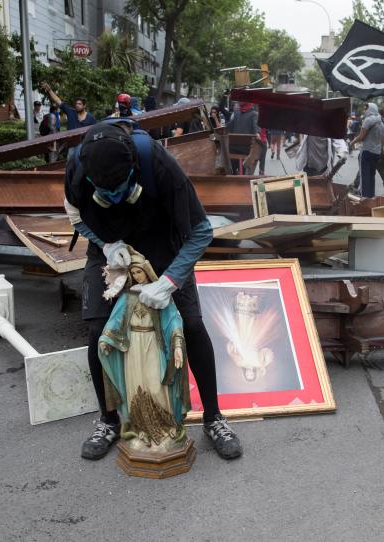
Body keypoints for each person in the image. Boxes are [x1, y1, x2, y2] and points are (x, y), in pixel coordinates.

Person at [63, 119, 243, 461]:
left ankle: (214, 418)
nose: (114, 198)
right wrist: (104, 244)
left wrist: (170, 280)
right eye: (106, 193)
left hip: (164, 245)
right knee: (98, 329)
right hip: (111, 247)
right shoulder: (76, 168)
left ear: (133, 170)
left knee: (190, 325)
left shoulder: (159, 165)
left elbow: (202, 231)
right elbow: (76, 218)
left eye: (120, 190)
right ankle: (108, 420)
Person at [98, 249, 189, 449]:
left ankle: (166, 427)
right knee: (135, 386)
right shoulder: (128, 297)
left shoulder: (159, 293)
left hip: (153, 343)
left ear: (147, 271)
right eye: (133, 273)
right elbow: (116, 321)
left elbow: (173, 320)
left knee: (156, 385)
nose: (136, 276)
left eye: (139, 272)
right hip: (132, 347)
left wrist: (177, 345)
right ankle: (141, 430)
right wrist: (106, 340)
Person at [349, 103, 384, 198]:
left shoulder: (368, 121)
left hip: (367, 151)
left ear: (371, 109)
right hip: (376, 153)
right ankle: (371, 197)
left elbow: (362, 136)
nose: (365, 111)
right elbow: (382, 140)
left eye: (366, 109)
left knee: (364, 176)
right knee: (372, 176)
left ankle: (364, 198)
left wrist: (352, 142)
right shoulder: (381, 122)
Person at [227, 102, 260, 174]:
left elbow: (228, 128)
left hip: (233, 147)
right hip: (245, 149)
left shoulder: (236, 113)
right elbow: (256, 129)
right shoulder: (254, 114)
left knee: (232, 168)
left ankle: (234, 174)